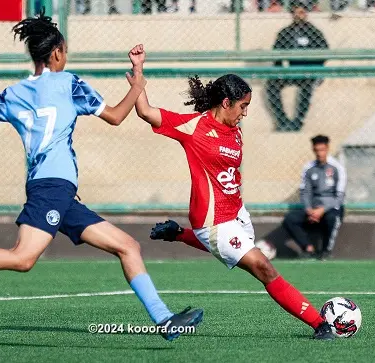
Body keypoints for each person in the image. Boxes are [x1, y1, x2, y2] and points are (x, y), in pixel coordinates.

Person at [0, 12, 203, 341]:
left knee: (127, 246)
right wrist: (138, 83)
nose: (65, 56)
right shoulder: (69, 83)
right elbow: (115, 116)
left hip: (58, 193)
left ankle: (164, 320)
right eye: (65, 51)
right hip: (51, 188)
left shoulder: (12, 94)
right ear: (56, 52)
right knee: (23, 258)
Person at [129, 45, 334, 340]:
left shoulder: (235, 131)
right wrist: (138, 72)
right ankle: (320, 324)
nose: (245, 113)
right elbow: (146, 111)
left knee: (238, 255)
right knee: (263, 267)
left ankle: (179, 233)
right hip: (213, 222)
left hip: (237, 214)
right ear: (226, 102)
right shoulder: (194, 126)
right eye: (242, 106)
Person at [265, 3, 328, 132]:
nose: (299, 15)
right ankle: (282, 121)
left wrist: (316, 69)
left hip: (308, 72)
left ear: (306, 14)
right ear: (292, 14)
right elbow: (277, 55)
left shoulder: (314, 32)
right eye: (296, 12)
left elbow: (325, 52)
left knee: (306, 86)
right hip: (291, 71)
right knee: (272, 85)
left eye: (302, 12)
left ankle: (298, 121)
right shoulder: (285, 32)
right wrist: (280, 70)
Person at [282, 135, 346, 260]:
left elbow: (340, 196)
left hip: (331, 208)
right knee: (290, 219)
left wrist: (322, 210)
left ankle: (326, 251)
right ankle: (308, 249)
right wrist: (308, 209)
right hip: (313, 209)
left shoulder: (338, 168)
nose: (319, 153)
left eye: (322, 150)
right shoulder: (309, 168)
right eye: (316, 150)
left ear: (327, 148)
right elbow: (305, 192)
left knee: (332, 217)